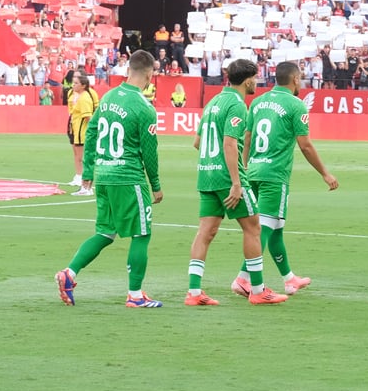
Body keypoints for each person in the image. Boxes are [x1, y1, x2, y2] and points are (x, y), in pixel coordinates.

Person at [55, 51, 164, 308]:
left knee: (105, 232)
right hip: (128, 178)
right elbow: (150, 152)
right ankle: (135, 295)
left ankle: (69, 274)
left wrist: (89, 171)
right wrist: (156, 185)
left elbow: (91, 131)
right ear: (149, 75)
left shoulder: (108, 97)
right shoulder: (144, 107)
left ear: (129, 70)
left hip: (103, 176)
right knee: (142, 233)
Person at [222, 61, 340, 299]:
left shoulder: (257, 102)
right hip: (274, 176)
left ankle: (289, 279)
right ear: (295, 79)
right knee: (262, 229)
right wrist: (325, 173)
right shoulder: (296, 105)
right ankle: (243, 278)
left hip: (253, 171)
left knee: (275, 228)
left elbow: (247, 135)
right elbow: (305, 144)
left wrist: (243, 170)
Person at [186, 59, 288, 306]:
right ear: (248, 79)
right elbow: (230, 143)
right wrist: (235, 182)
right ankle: (257, 290)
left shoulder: (213, 103)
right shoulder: (237, 105)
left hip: (206, 176)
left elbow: (197, 143)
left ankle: (194, 292)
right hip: (226, 178)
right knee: (253, 227)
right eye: (256, 77)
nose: (258, 82)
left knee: (205, 232)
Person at [68, 74, 100, 193]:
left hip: (83, 132)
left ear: (83, 85)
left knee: (85, 159)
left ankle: (86, 187)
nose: (73, 85)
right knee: (83, 158)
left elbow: (88, 117)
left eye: (76, 83)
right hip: (79, 131)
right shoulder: (81, 96)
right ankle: (85, 185)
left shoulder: (84, 98)